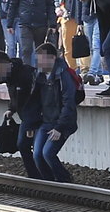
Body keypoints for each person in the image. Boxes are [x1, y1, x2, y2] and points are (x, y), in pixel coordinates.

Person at [29, 43, 77, 183]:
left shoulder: (63, 75)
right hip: (46, 122)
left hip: (61, 123)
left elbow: (69, 103)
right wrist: (31, 124)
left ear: (53, 58)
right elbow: (35, 102)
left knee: (48, 153)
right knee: (37, 155)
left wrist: (59, 128)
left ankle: (65, 180)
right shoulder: (40, 76)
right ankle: (49, 182)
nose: (39, 62)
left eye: (42, 59)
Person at [0, 51, 41, 179]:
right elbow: (15, 96)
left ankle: (38, 175)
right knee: (28, 146)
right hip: (26, 115)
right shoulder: (9, 77)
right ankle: (36, 175)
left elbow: (31, 96)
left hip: (34, 114)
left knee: (25, 145)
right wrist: (11, 109)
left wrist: (31, 119)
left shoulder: (25, 73)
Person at [8, 0, 57, 65]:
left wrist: (52, 24)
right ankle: (27, 74)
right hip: (25, 22)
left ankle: (41, 75)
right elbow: (13, 5)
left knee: (41, 50)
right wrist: (9, 24)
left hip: (41, 22)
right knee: (26, 49)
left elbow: (50, 5)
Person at [76, 0, 105, 85]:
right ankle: (98, 74)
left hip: (99, 15)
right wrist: (79, 21)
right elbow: (78, 1)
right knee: (92, 47)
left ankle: (92, 72)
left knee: (96, 44)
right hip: (87, 16)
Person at [53, 0, 86, 72]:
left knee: (84, 43)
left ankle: (85, 70)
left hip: (83, 15)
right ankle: (71, 69)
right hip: (68, 15)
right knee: (68, 45)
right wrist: (58, 8)